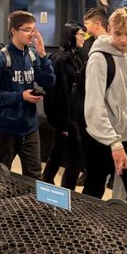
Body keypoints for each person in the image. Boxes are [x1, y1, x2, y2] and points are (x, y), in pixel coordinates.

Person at [0, 10, 55, 179]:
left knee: (34, 175)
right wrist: (20, 96)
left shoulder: (32, 56)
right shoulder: (0, 59)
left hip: (29, 127)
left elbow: (48, 81)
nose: (32, 34)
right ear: (14, 31)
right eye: (27, 30)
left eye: (33, 29)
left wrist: (43, 55)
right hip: (6, 128)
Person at [82, 7, 127, 206]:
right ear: (109, 29)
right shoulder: (99, 58)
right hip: (102, 138)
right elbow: (94, 107)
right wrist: (114, 143)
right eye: (118, 33)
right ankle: (82, 226)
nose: (122, 39)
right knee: (93, 191)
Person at [42, 22, 85, 189]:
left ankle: (46, 183)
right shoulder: (59, 59)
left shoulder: (75, 57)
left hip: (73, 114)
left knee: (57, 152)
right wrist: (63, 123)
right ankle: (67, 191)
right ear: (71, 36)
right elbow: (58, 93)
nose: (83, 38)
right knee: (75, 158)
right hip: (65, 117)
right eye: (80, 35)